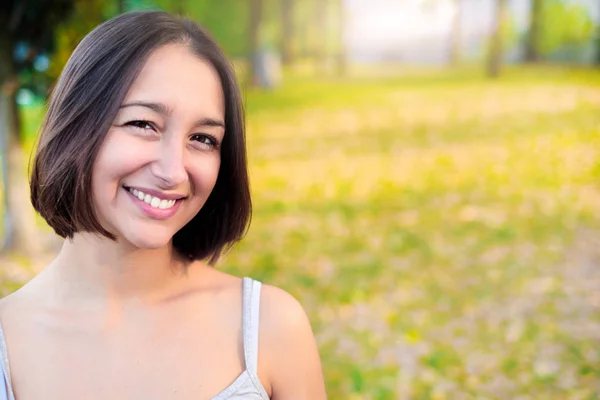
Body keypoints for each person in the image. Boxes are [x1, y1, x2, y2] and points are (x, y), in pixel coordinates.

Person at [0, 11, 326, 400]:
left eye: (203, 139)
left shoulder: (270, 329)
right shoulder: (8, 342)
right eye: (143, 124)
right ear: (75, 125)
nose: (173, 171)